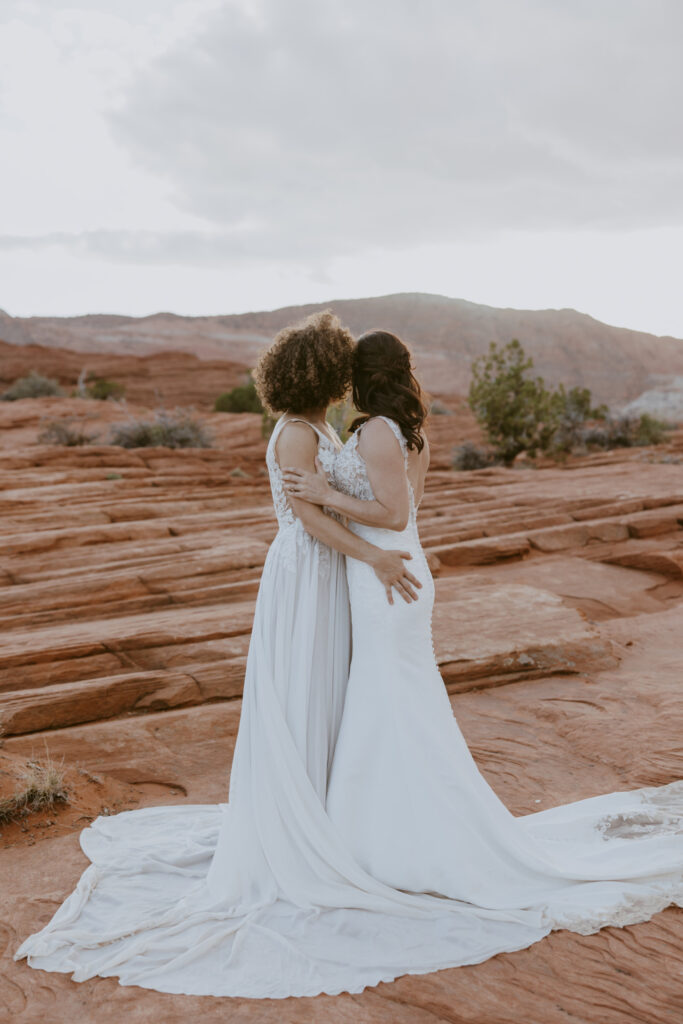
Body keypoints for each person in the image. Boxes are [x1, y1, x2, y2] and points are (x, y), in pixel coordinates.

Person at [13, 323, 683, 1001]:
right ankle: (330, 823)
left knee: (353, 695)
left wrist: (364, 540)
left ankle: (358, 823)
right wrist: (371, 554)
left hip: (351, 572)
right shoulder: (309, 433)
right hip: (314, 574)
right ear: (319, 375)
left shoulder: (346, 430)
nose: (341, 378)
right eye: (333, 369)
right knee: (324, 691)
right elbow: (306, 520)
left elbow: (375, 507)